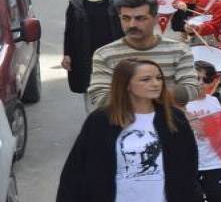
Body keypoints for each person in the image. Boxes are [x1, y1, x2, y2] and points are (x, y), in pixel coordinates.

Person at [58, 58, 200, 202]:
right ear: (126, 84)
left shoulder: (174, 118)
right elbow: (76, 171)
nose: (156, 84)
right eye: (146, 79)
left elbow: (189, 168)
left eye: (158, 78)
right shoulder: (101, 120)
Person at [87, 0, 200, 108]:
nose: (132, 24)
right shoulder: (104, 54)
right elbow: (99, 97)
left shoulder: (179, 50)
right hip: (123, 123)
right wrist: (157, 94)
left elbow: (191, 89)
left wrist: (138, 93)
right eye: (125, 18)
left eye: (140, 18)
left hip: (168, 122)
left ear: (156, 19)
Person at [63, 0, 125, 110]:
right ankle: (93, 120)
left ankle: (113, 119)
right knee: (90, 87)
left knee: (114, 86)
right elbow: (69, 32)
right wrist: (67, 54)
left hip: (111, 52)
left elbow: (124, 27)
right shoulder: (75, 5)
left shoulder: (116, 2)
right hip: (85, 53)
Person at [185, 61, 221, 202]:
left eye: (206, 79)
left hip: (215, 162)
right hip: (188, 163)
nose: (201, 83)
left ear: (213, 82)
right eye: (196, 78)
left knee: (218, 197)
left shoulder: (217, 101)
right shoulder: (180, 103)